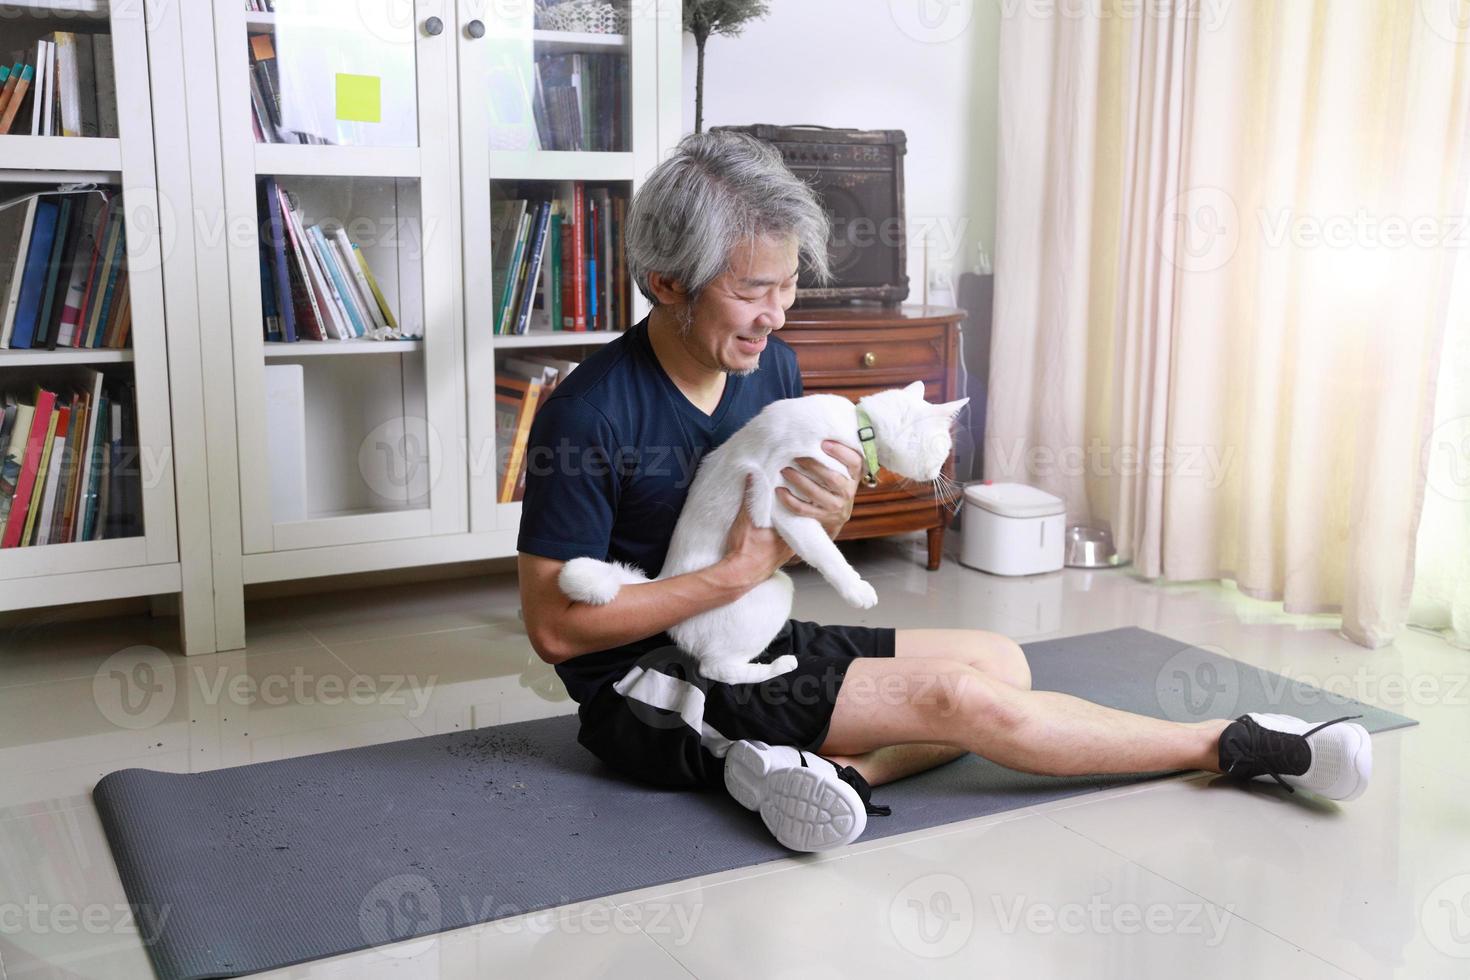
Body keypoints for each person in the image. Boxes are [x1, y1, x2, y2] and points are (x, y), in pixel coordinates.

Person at [516, 131, 1372, 852]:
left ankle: (836, 775)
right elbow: (556, 631)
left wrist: (829, 512)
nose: (776, 314)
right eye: (749, 290)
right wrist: (737, 575)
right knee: (957, 701)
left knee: (1000, 662)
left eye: (787, 286)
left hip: (745, 624)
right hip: (651, 687)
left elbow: (813, 516)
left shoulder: (768, 364)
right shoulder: (589, 415)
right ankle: (1235, 745)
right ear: (667, 282)